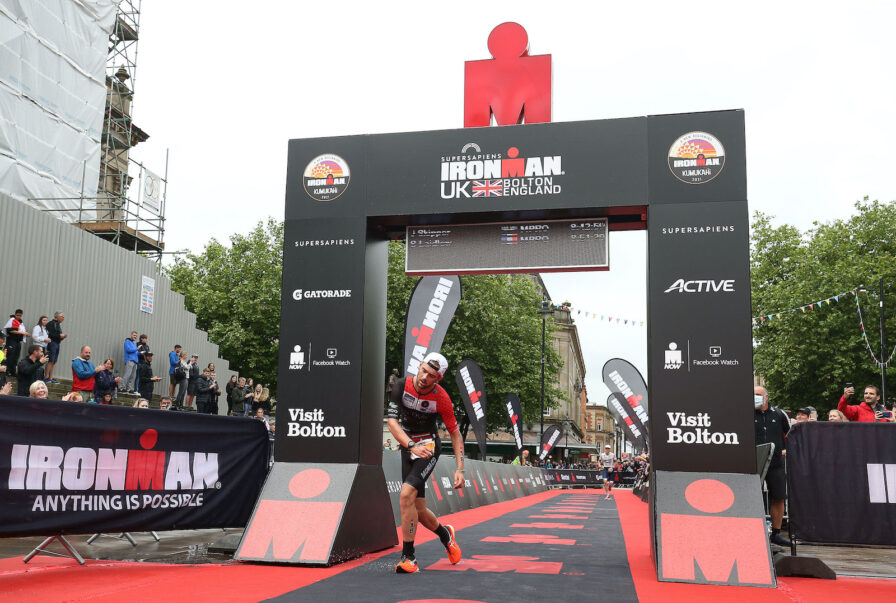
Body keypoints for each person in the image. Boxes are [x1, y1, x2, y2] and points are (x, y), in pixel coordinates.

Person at [387, 352, 463, 574]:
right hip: (409, 445)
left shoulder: (442, 398)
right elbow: (392, 423)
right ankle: (445, 535)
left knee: (405, 495)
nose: (424, 377)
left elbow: (455, 434)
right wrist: (410, 445)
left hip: (428, 448)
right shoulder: (401, 386)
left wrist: (460, 468)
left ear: (438, 379)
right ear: (419, 366)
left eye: (431, 376)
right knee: (418, 509)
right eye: (424, 371)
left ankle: (408, 557)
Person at [754, 386, 791, 547]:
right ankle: (754, 531)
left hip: (776, 462)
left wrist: (787, 450)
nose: (755, 397)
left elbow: (793, 434)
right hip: (754, 462)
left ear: (766, 397)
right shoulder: (744, 413)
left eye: (758, 395)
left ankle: (776, 533)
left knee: (779, 496)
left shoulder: (779, 414)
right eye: (752, 395)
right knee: (753, 497)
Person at [3, 310, 28, 377]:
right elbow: (10, 330)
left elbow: (21, 330)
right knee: (10, 356)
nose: (19, 317)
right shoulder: (12, 320)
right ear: (15, 314)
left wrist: (25, 334)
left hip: (17, 341)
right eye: (17, 315)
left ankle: (13, 371)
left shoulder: (20, 322)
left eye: (20, 315)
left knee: (16, 356)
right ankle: (7, 371)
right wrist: (21, 333)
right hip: (11, 341)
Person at [44, 312, 66, 383]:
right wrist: (60, 336)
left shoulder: (58, 324)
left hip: (57, 343)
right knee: (50, 360)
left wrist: (62, 337)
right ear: (57, 316)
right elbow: (51, 334)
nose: (63, 318)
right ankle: (46, 377)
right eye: (62, 316)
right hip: (52, 343)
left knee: (54, 361)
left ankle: (50, 378)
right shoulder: (51, 323)